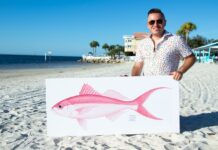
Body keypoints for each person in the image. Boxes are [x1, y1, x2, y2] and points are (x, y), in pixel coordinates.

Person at [131, 8, 196, 80]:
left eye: (159, 21)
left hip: (167, 86)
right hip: (147, 86)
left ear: (165, 22)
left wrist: (180, 71)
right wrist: (132, 81)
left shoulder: (176, 39)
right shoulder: (142, 43)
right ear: (147, 25)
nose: (155, 24)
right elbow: (137, 66)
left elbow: (191, 58)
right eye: (152, 22)